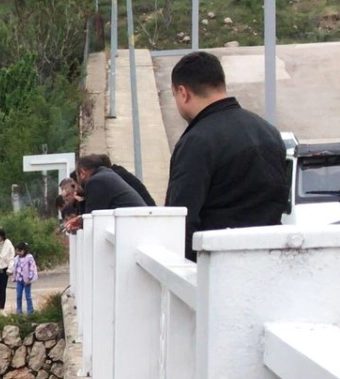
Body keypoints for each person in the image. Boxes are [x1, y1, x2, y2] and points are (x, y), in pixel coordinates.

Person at [163, 50, 289, 259]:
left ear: (183, 93)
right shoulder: (269, 132)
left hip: (218, 270)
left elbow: (180, 219)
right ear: (220, 83)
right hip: (269, 264)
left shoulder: (197, 142)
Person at [64, 154, 148, 232]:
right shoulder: (105, 175)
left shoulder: (95, 182)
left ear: (82, 173)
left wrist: (77, 223)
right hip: (139, 223)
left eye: (77, 176)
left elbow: (91, 220)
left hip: (136, 227)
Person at [79, 152, 156, 205]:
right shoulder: (113, 175)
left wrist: (81, 201)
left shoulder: (98, 181)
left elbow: (93, 214)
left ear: (82, 173)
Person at [12, 243, 39, 315]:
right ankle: (19, 311)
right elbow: (15, 268)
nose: (17, 253)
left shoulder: (29, 258)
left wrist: (29, 279)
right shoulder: (16, 258)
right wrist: (14, 277)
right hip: (19, 280)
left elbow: (32, 268)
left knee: (28, 296)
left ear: (23, 250)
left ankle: (30, 311)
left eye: (18, 251)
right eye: (16, 251)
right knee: (19, 295)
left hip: (26, 280)